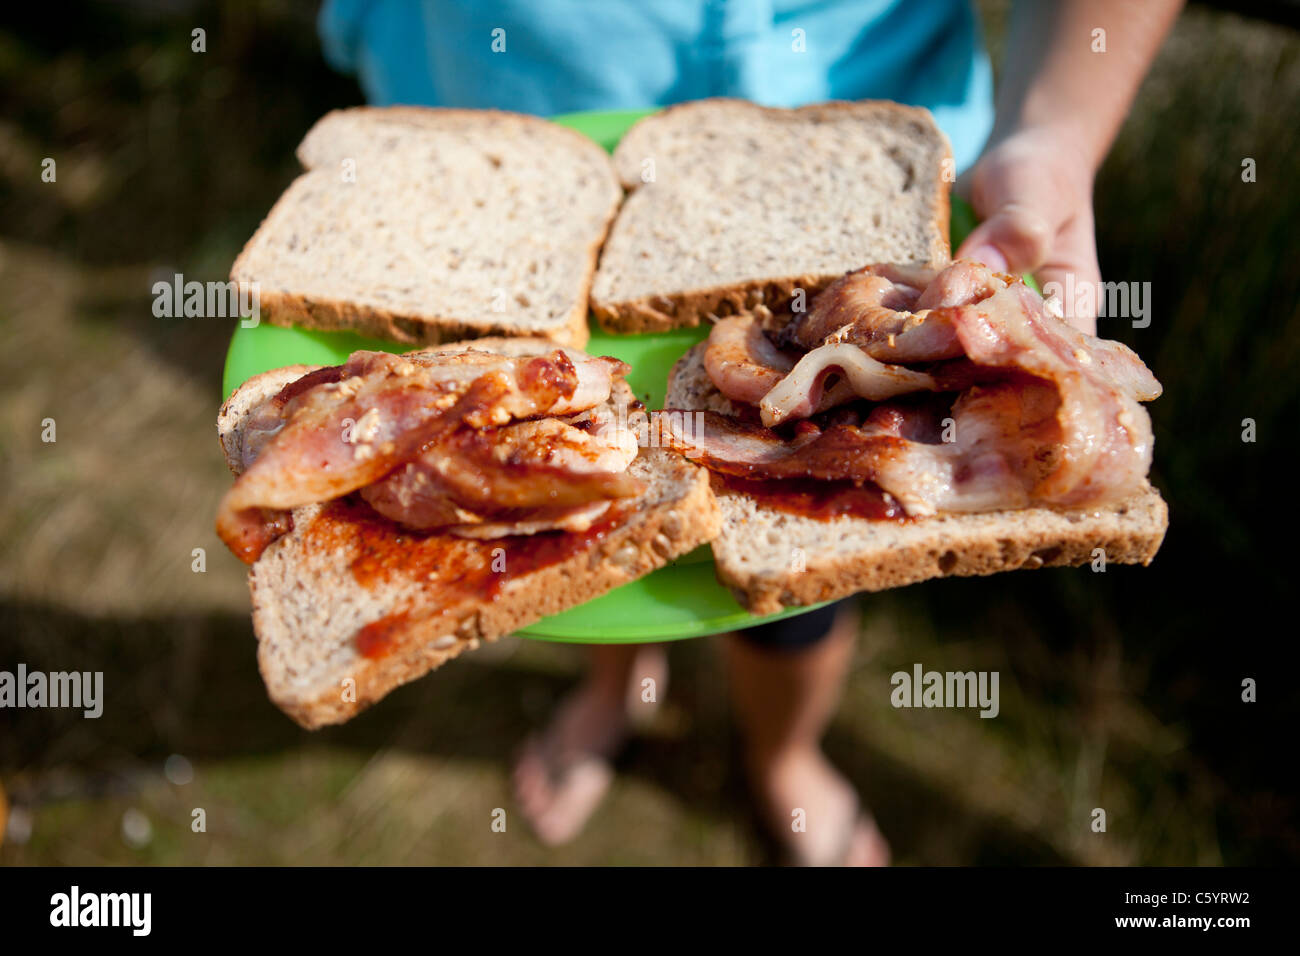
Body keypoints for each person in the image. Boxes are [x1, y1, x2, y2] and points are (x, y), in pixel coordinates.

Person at [318, 0, 1184, 865]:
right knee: (587, 529)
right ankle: (616, 692)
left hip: (869, 108)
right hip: (510, 89)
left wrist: (1056, 130)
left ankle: (782, 753)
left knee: (798, 603)